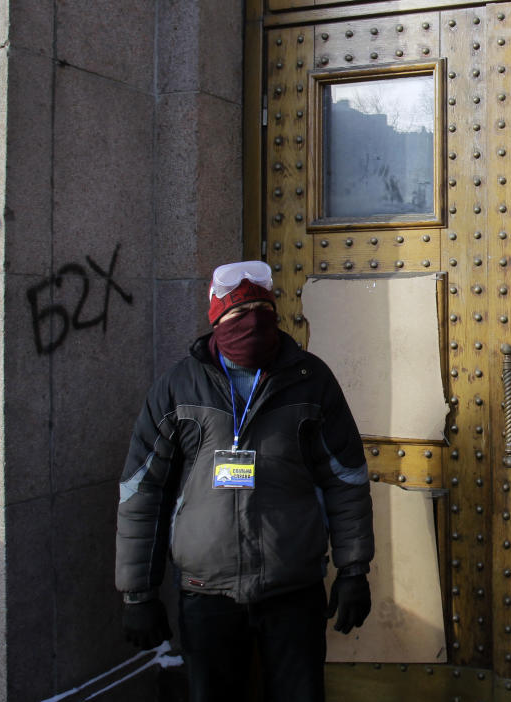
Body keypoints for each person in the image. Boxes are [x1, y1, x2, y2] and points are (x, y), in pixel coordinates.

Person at [116, 260, 374, 702]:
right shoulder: (178, 388)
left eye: (260, 309)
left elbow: (345, 479)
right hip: (206, 592)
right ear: (216, 320)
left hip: (293, 588)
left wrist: (354, 570)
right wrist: (138, 593)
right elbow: (143, 491)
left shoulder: (311, 381)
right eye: (237, 314)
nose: (251, 321)